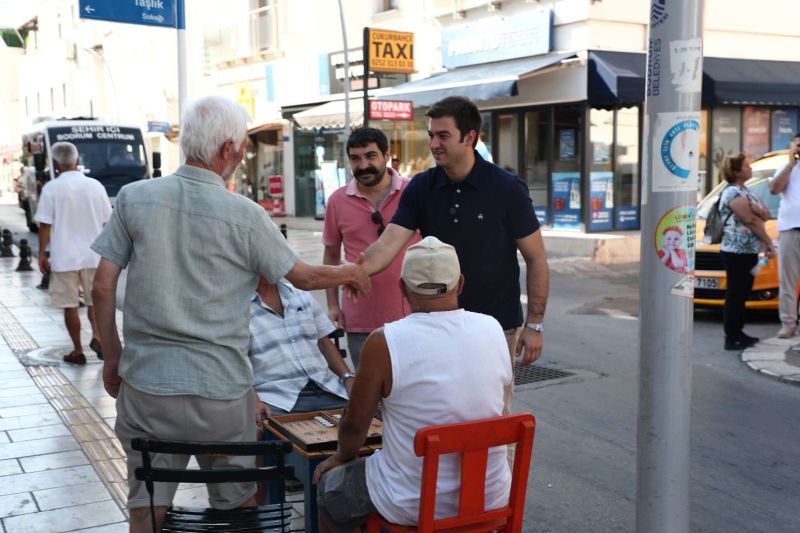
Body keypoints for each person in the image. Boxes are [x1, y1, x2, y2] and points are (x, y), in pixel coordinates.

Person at [89, 95, 371, 533]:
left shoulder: (134, 198)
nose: (242, 155)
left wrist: (113, 356)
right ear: (227, 150)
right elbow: (305, 276)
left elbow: (102, 285)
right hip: (223, 392)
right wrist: (350, 272)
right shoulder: (246, 214)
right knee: (237, 503)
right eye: (242, 147)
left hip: (148, 386)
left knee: (146, 504)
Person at [358, 95, 549, 416]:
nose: (433, 143)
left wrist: (535, 326)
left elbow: (536, 259)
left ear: (469, 138)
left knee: (491, 419)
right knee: (438, 415)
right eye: (431, 135)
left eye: (443, 135)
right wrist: (354, 271)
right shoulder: (421, 187)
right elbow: (388, 244)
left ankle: (494, 469)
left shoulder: (506, 188)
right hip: (434, 327)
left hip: (495, 328)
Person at [313, 237, 512, 531]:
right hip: (489, 495)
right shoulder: (492, 327)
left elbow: (355, 426)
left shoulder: (384, 341)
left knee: (332, 489)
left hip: (411, 502)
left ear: (402, 288)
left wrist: (342, 457)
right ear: (460, 284)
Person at [322, 128, 418, 367]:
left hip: (414, 317)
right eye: (355, 158)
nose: (363, 165)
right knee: (370, 396)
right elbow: (331, 255)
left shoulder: (414, 192)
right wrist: (333, 305)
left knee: (414, 392)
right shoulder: (337, 201)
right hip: (360, 319)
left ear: (387, 155)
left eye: (370, 156)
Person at [34, 142, 111, 364]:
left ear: (56, 165)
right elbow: (107, 222)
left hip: (64, 257)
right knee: (94, 302)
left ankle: (77, 351)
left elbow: (45, 225)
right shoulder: (95, 186)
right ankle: (97, 337)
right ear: (77, 161)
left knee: (69, 305)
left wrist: (41, 253)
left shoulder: (51, 188)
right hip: (94, 255)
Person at [249, 276, 351, 417]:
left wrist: (348, 377)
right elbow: (236, 361)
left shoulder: (301, 295)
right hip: (276, 398)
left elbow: (324, 343)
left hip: (326, 388)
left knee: (373, 410)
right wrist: (253, 400)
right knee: (256, 426)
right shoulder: (237, 308)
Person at [719, 153, 775, 351]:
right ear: (735, 172)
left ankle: (739, 332)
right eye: (746, 166)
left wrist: (757, 210)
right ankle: (731, 337)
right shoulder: (732, 193)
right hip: (736, 251)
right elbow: (749, 220)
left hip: (749, 250)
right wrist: (768, 241)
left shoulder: (747, 191)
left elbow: (766, 214)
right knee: (735, 294)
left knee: (743, 292)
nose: (750, 168)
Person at [768, 133, 800, 338]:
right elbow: (773, 189)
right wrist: (790, 164)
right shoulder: (786, 169)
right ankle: (788, 323)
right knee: (787, 281)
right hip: (790, 230)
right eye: (797, 145)